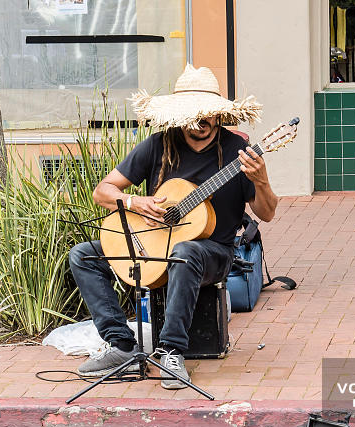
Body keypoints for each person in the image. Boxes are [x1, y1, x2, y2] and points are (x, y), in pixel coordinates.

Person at [68, 64, 293, 389]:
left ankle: (171, 351)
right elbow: (102, 191)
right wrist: (135, 202)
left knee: (184, 251)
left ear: (218, 114)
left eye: (206, 114)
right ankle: (121, 344)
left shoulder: (237, 153)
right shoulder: (158, 145)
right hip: (153, 242)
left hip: (213, 253)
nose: (200, 121)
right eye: (192, 113)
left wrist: (262, 181)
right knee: (84, 256)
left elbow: (266, 213)